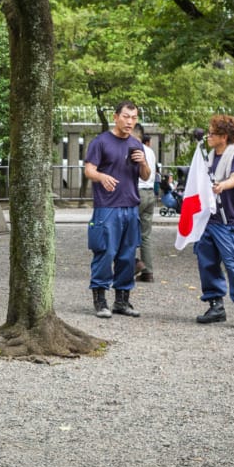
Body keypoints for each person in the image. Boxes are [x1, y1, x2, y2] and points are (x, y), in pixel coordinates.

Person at [83, 101, 149, 318]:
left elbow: (146, 176)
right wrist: (101, 176)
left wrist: (143, 163)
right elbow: (89, 170)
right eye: (126, 116)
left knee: (127, 256)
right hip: (107, 207)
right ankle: (100, 299)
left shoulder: (137, 145)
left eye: (134, 117)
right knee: (105, 252)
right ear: (116, 117)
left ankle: (122, 300)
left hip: (131, 207)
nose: (130, 121)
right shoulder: (100, 142)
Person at [194, 114, 234, 331]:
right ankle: (215, 305)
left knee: (233, 265)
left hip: (226, 221)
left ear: (225, 136)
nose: (209, 136)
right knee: (207, 263)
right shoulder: (207, 157)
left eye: (212, 133)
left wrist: (222, 185)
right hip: (206, 220)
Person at [135, 130, 157, 282]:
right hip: (150, 193)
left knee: (126, 232)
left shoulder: (135, 151)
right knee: (146, 235)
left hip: (136, 192)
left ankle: (134, 263)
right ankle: (148, 272)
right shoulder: (150, 151)